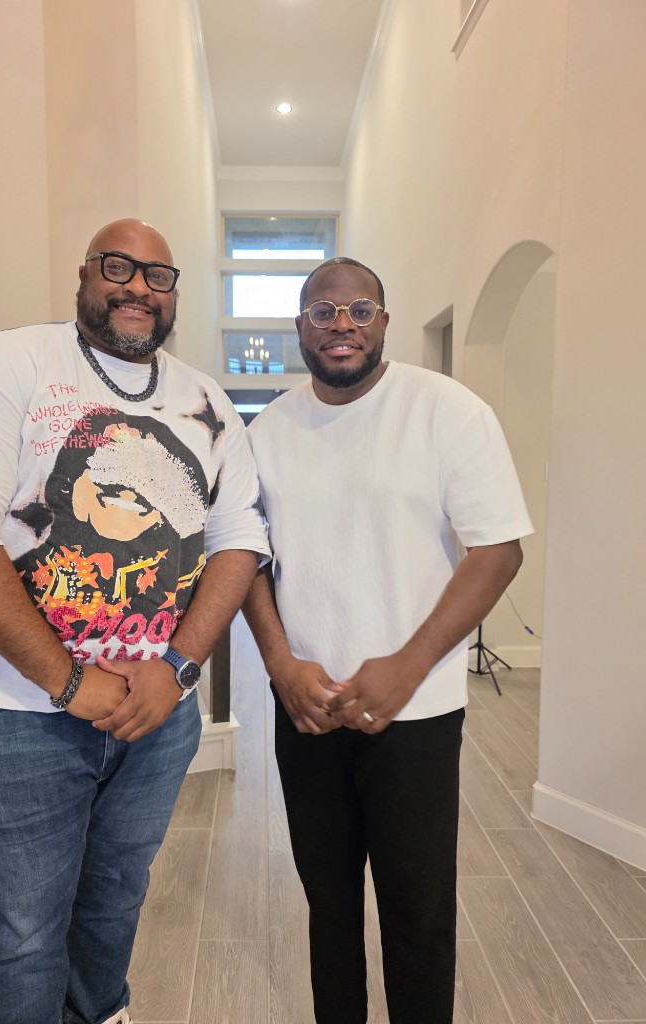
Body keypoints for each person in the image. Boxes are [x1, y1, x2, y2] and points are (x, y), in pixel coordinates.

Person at [0, 219, 270, 1024]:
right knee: (21, 935)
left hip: (156, 718)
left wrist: (176, 670)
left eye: (158, 275)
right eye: (118, 266)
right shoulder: (6, 365)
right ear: (84, 275)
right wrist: (68, 680)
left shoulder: (207, 400)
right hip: (16, 717)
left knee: (115, 900)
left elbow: (239, 538)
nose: (138, 286)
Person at [242, 257, 532, 1024]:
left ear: (384, 321)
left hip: (416, 712)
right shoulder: (267, 432)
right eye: (323, 312)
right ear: (300, 327)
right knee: (328, 907)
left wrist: (409, 665)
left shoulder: (448, 411)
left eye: (359, 310)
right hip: (307, 711)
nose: (342, 325)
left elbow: (499, 550)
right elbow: (244, 560)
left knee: (418, 915)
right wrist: (280, 665)